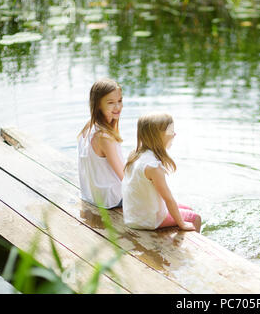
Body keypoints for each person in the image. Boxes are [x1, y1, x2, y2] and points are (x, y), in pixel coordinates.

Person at [122, 112, 201, 232]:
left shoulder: (135, 155)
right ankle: (197, 248)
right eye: (170, 131)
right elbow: (168, 199)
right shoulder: (153, 167)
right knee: (195, 217)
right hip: (148, 220)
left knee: (188, 208)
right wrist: (182, 224)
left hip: (132, 216)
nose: (175, 134)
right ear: (158, 137)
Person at [77, 78, 124, 209]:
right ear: (98, 104)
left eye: (119, 101)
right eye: (111, 103)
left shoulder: (89, 125)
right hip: (112, 198)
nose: (118, 107)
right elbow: (124, 177)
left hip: (91, 195)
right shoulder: (104, 137)